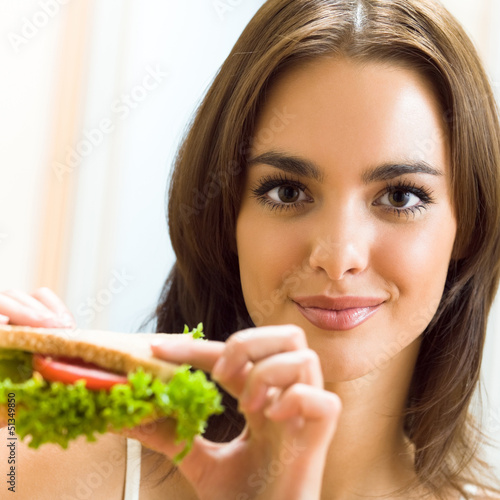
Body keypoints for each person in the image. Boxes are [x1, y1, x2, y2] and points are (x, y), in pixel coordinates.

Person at [1, 0, 500, 498]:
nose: (338, 254)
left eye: (400, 196)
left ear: (469, 226)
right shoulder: (33, 470)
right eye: (287, 192)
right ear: (226, 218)